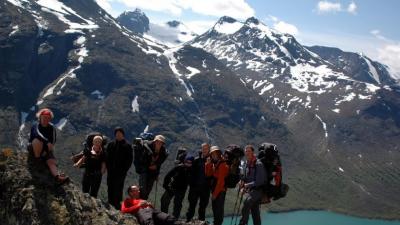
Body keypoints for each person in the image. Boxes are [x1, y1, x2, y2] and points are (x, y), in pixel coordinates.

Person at [28, 108, 69, 184]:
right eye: (44, 117)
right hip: (33, 147)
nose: (46, 119)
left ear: (50, 119)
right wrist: (46, 142)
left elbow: (53, 141)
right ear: (40, 117)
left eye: (48, 118)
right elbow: (37, 134)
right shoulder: (36, 125)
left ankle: (57, 177)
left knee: (51, 161)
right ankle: (37, 160)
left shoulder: (51, 128)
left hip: (45, 149)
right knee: (37, 141)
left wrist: (46, 151)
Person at [238, 145, 266, 225]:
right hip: (252, 191)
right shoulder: (247, 163)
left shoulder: (258, 164)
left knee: (247, 202)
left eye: (249, 151)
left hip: (258, 190)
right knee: (255, 211)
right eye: (246, 151)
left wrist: (247, 185)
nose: (247, 153)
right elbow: (246, 177)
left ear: (253, 152)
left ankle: (243, 223)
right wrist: (242, 181)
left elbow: (259, 181)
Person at [106, 127, 133, 209]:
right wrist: (108, 168)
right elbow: (107, 157)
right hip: (111, 171)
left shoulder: (127, 146)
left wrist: (124, 170)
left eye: (120, 134)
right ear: (115, 135)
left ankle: (117, 204)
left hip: (121, 172)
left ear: (123, 134)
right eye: (116, 134)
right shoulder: (111, 145)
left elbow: (129, 160)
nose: (118, 135)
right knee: (110, 186)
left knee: (118, 187)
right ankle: (110, 203)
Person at [136, 134, 168, 200]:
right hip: (144, 170)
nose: (159, 143)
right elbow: (142, 159)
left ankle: (143, 203)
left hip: (153, 172)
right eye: (157, 141)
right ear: (154, 141)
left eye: (161, 142)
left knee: (148, 189)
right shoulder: (146, 147)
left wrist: (156, 166)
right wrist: (149, 166)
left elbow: (160, 162)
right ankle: (139, 203)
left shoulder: (163, 152)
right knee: (142, 188)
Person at [186, 143, 211, 222]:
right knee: (191, 207)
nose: (204, 150)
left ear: (209, 150)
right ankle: (188, 221)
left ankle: (201, 222)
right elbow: (190, 173)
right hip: (194, 188)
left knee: (202, 208)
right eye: (203, 148)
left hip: (205, 189)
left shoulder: (211, 161)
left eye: (206, 148)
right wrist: (191, 184)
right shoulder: (196, 160)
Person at [205, 146, 229, 225]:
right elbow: (208, 174)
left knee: (218, 209)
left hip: (220, 191)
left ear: (219, 153)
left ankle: (218, 223)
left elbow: (221, 182)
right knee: (215, 208)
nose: (214, 155)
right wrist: (208, 165)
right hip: (215, 189)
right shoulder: (215, 163)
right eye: (212, 154)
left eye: (215, 153)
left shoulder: (223, 164)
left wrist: (215, 194)